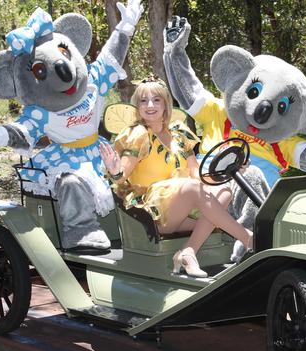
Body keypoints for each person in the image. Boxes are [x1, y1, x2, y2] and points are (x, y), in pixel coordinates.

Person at [100, 79, 253, 278]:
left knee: (224, 191)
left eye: (156, 100)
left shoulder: (179, 133)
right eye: (144, 101)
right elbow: (121, 178)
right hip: (151, 213)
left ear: (165, 104)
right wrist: (114, 170)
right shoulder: (138, 134)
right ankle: (248, 239)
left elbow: (196, 174)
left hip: (183, 207)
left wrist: (230, 172)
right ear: (137, 106)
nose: (150, 106)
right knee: (191, 189)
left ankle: (188, 252)